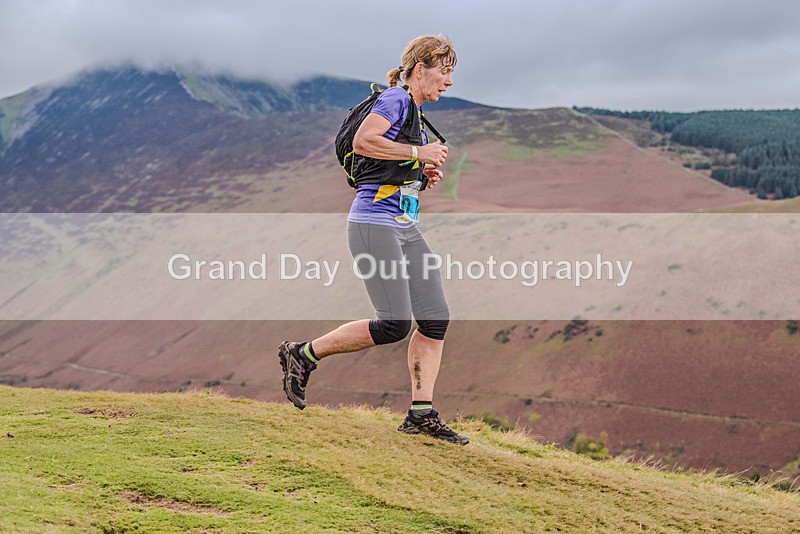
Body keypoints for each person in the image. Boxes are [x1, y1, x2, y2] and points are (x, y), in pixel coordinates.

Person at [279, 34, 468, 445]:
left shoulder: (412, 112)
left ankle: (421, 414)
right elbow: (366, 140)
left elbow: (388, 164)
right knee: (395, 324)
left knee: (434, 319)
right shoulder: (397, 100)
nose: (449, 82)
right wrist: (420, 155)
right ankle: (303, 354)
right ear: (421, 69)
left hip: (403, 225)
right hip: (373, 225)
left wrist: (420, 176)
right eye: (445, 71)